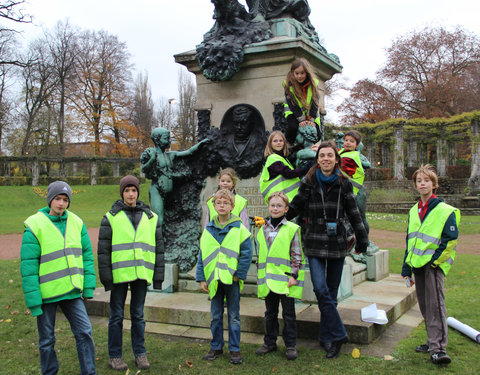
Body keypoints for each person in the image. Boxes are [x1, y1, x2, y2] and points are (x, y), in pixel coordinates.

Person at [287, 141, 369, 359]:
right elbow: (296, 205)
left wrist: (363, 239)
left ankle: (328, 339)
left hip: (336, 242)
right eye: (322, 155)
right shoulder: (308, 181)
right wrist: (278, 218)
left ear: (336, 159)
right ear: (318, 159)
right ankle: (340, 332)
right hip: (314, 240)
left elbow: (353, 212)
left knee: (330, 294)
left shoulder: (344, 183)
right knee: (320, 290)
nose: (325, 159)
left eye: (329, 156)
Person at [21, 181, 97, 375]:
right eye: (58, 199)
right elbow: (29, 267)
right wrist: (34, 301)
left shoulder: (77, 222)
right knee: (46, 340)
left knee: (85, 332)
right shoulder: (35, 224)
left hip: (71, 292)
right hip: (47, 295)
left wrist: (88, 288)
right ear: (50, 200)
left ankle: (89, 372)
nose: (61, 204)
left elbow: (87, 256)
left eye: (65, 200)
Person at [97, 175, 165, 371]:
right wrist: (106, 278)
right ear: (122, 193)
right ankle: (115, 355)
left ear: (137, 193)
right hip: (119, 275)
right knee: (116, 316)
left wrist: (158, 277)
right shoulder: (110, 217)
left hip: (141, 274)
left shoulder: (151, 217)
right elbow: (103, 251)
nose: (130, 194)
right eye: (127, 190)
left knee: (138, 315)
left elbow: (159, 249)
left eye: (133, 190)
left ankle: (140, 353)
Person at [401, 165, 460, 365]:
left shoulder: (445, 210)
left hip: (433, 266)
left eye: (426, 180)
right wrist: (406, 267)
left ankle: (438, 349)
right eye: (419, 181)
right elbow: (410, 240)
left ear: (434, 184)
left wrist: (435, 262)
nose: (423, 184)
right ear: (415, 185)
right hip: (417, 264)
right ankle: (431, 340)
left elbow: (450, 239)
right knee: (426, 306)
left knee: (436, 306)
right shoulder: (413, 210)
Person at [196, 189, 252, 365]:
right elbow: (202, 255)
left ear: (232, 206)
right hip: (214, 279)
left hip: (232, 279)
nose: (222, 206)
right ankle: (216, 346)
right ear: (213, 206)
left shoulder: (240, 228)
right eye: (218, 203)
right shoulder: (208, 229)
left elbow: (246, 254)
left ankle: (235, 349)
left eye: (225, 203)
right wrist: (201, 278)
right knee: (216, 315)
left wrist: (239, 275)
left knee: (234, 315)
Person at [255, 191, 305, 360]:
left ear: (286, 209)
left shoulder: (292, 229)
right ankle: (269, 342)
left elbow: (296, 254)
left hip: (285, 280)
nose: (275, 208)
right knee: (270, 313)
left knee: (288, 314)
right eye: (273, 205)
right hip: (269, 280)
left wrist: (294, 275)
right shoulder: (262, 229)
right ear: (268, 207)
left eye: (279, 206)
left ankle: (290, 345)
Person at [259, 130, 310, 204]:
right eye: (275, 141)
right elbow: (289, 174)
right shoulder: (273, 158)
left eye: (281, 140)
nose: (278, 142)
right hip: (280, 200)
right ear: (270, 144)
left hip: (285, 199)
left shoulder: (282, 158)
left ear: (284, 143)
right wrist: (307, 167)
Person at [283, 57, 322, 145]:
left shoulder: (313, 85)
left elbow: (315, 103)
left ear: (307, 73)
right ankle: (289, 147)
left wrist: (311, 119)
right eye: (297, 73)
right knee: (292, 128)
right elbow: (292, 104)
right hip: (293, 113)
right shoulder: (288, 85)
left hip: (310, 113)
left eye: (302, 73)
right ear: (292, 73)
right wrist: (301, 119)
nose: (299, 76)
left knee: (317, 134)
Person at [338, 130, 365, 196]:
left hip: (349, 191)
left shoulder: (350, 158)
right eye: (346, 140)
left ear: (357, 145)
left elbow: (337, 168)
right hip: (344, 188)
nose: (348, 143)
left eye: (351, 141)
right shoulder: (344, 151)